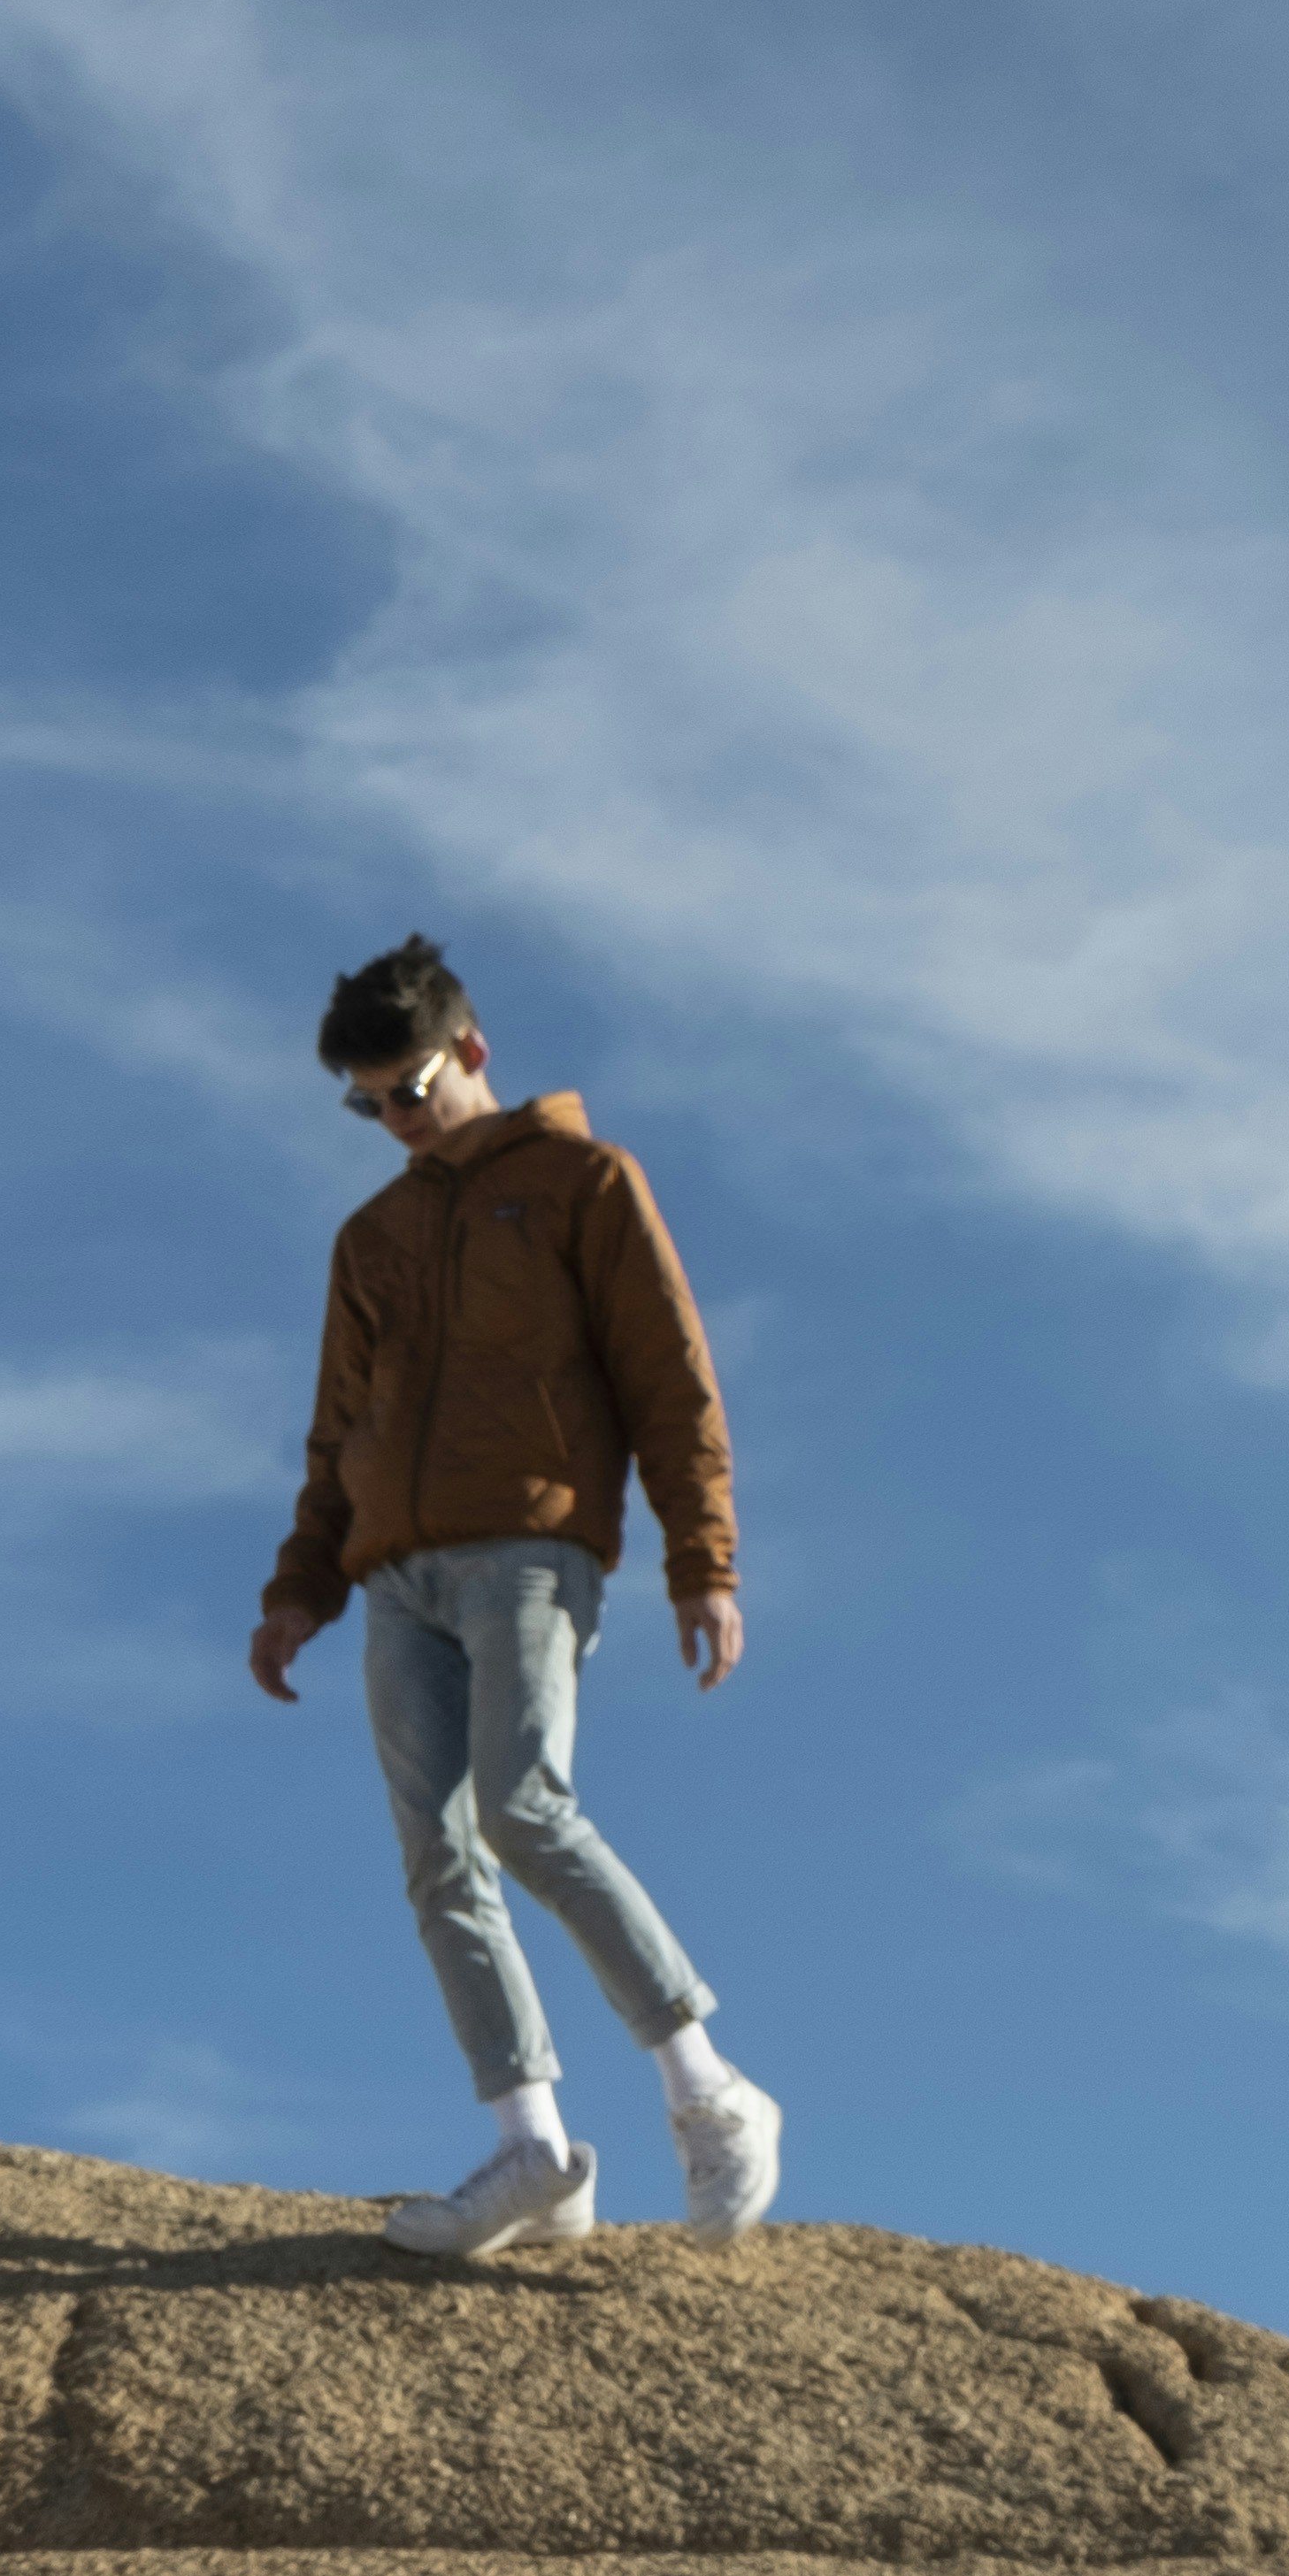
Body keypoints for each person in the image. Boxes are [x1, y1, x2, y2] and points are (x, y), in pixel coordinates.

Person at [246, 933, 786, 2258]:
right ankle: (532, 2149)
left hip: (531, 1553)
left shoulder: (582, 1183)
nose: (392, 1122)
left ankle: (710, 2092)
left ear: (471, 1053)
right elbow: (337, 1430)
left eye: (409, 1091)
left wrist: (702, 1561)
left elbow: (671, 1379)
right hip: (394, 1578)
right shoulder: (368, 1238)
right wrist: (301, 1585)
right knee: (439, 1859)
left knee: (524, 1809)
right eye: (365, 1105)